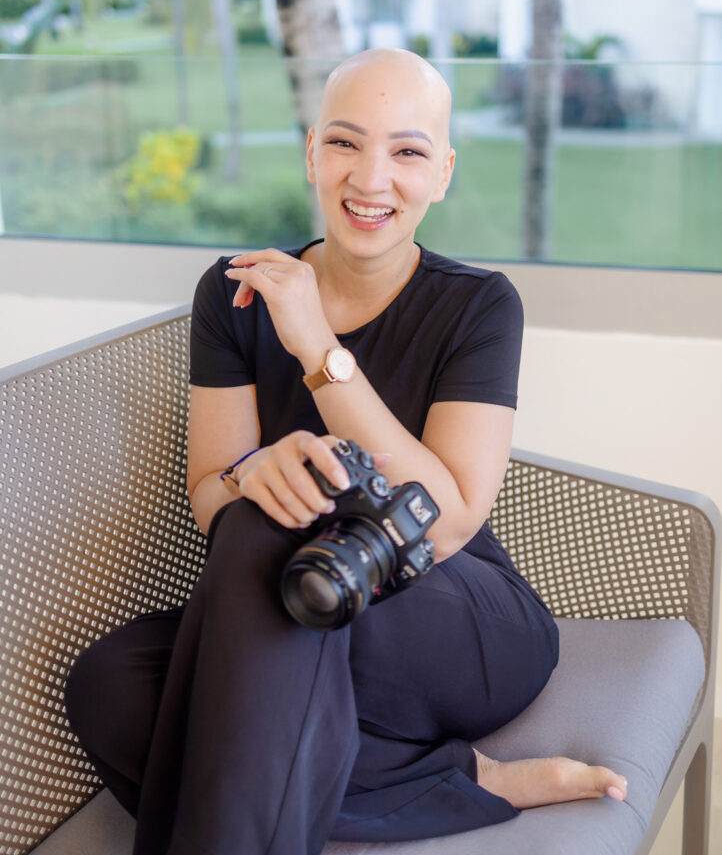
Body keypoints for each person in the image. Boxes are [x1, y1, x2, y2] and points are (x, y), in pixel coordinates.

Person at [64, 48, 627, 855]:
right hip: (301, 598)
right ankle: (459, 780)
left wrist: (317, 347)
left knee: (278, 520)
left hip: (453, 617)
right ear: (310, 153)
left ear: (443, 174)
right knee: (112, 687)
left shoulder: (480, 306)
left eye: (407, 151)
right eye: (344, 143)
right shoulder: (234, 292)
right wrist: (251, 472)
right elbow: (208, 496)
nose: (370, 179)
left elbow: (449, 522)